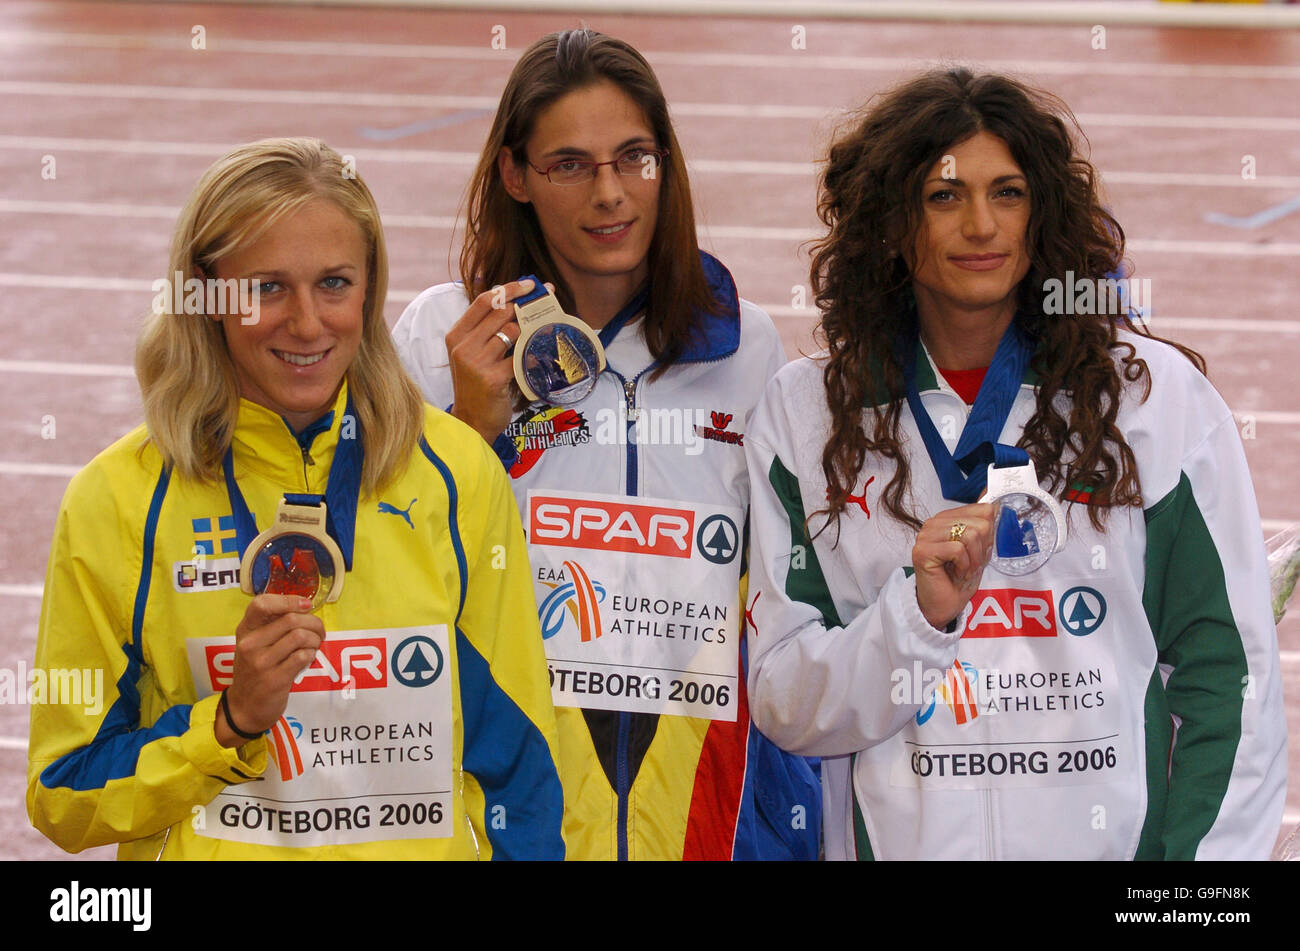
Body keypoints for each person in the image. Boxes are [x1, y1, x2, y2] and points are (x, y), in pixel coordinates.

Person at [744, 69, 1287, 860]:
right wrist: (914, 620)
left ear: (1044, 214)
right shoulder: (807, 418)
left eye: (1008, 193)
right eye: (943, 196)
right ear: (890, 222)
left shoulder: (1152, 402)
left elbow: (1226, 678)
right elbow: (787, 703)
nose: (979, 225)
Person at [27, 137, 564, 859]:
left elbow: (522, 769)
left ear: (370, 289)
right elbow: (65, 792)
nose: (307, 324)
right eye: (266, 288)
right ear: (206, 294)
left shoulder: (457, 473)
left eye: (334, 284)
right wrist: (227, 725)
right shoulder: (118, 501)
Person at [393, 29, 820, 860]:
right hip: (514, 794)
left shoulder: (747, 346)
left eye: (634, 158)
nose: (609, 194)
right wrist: (469, 432)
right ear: (514, 175)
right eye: (569, 165)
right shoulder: (442, 335)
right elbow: (392, 571)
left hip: (702, 798)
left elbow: (784, 593)